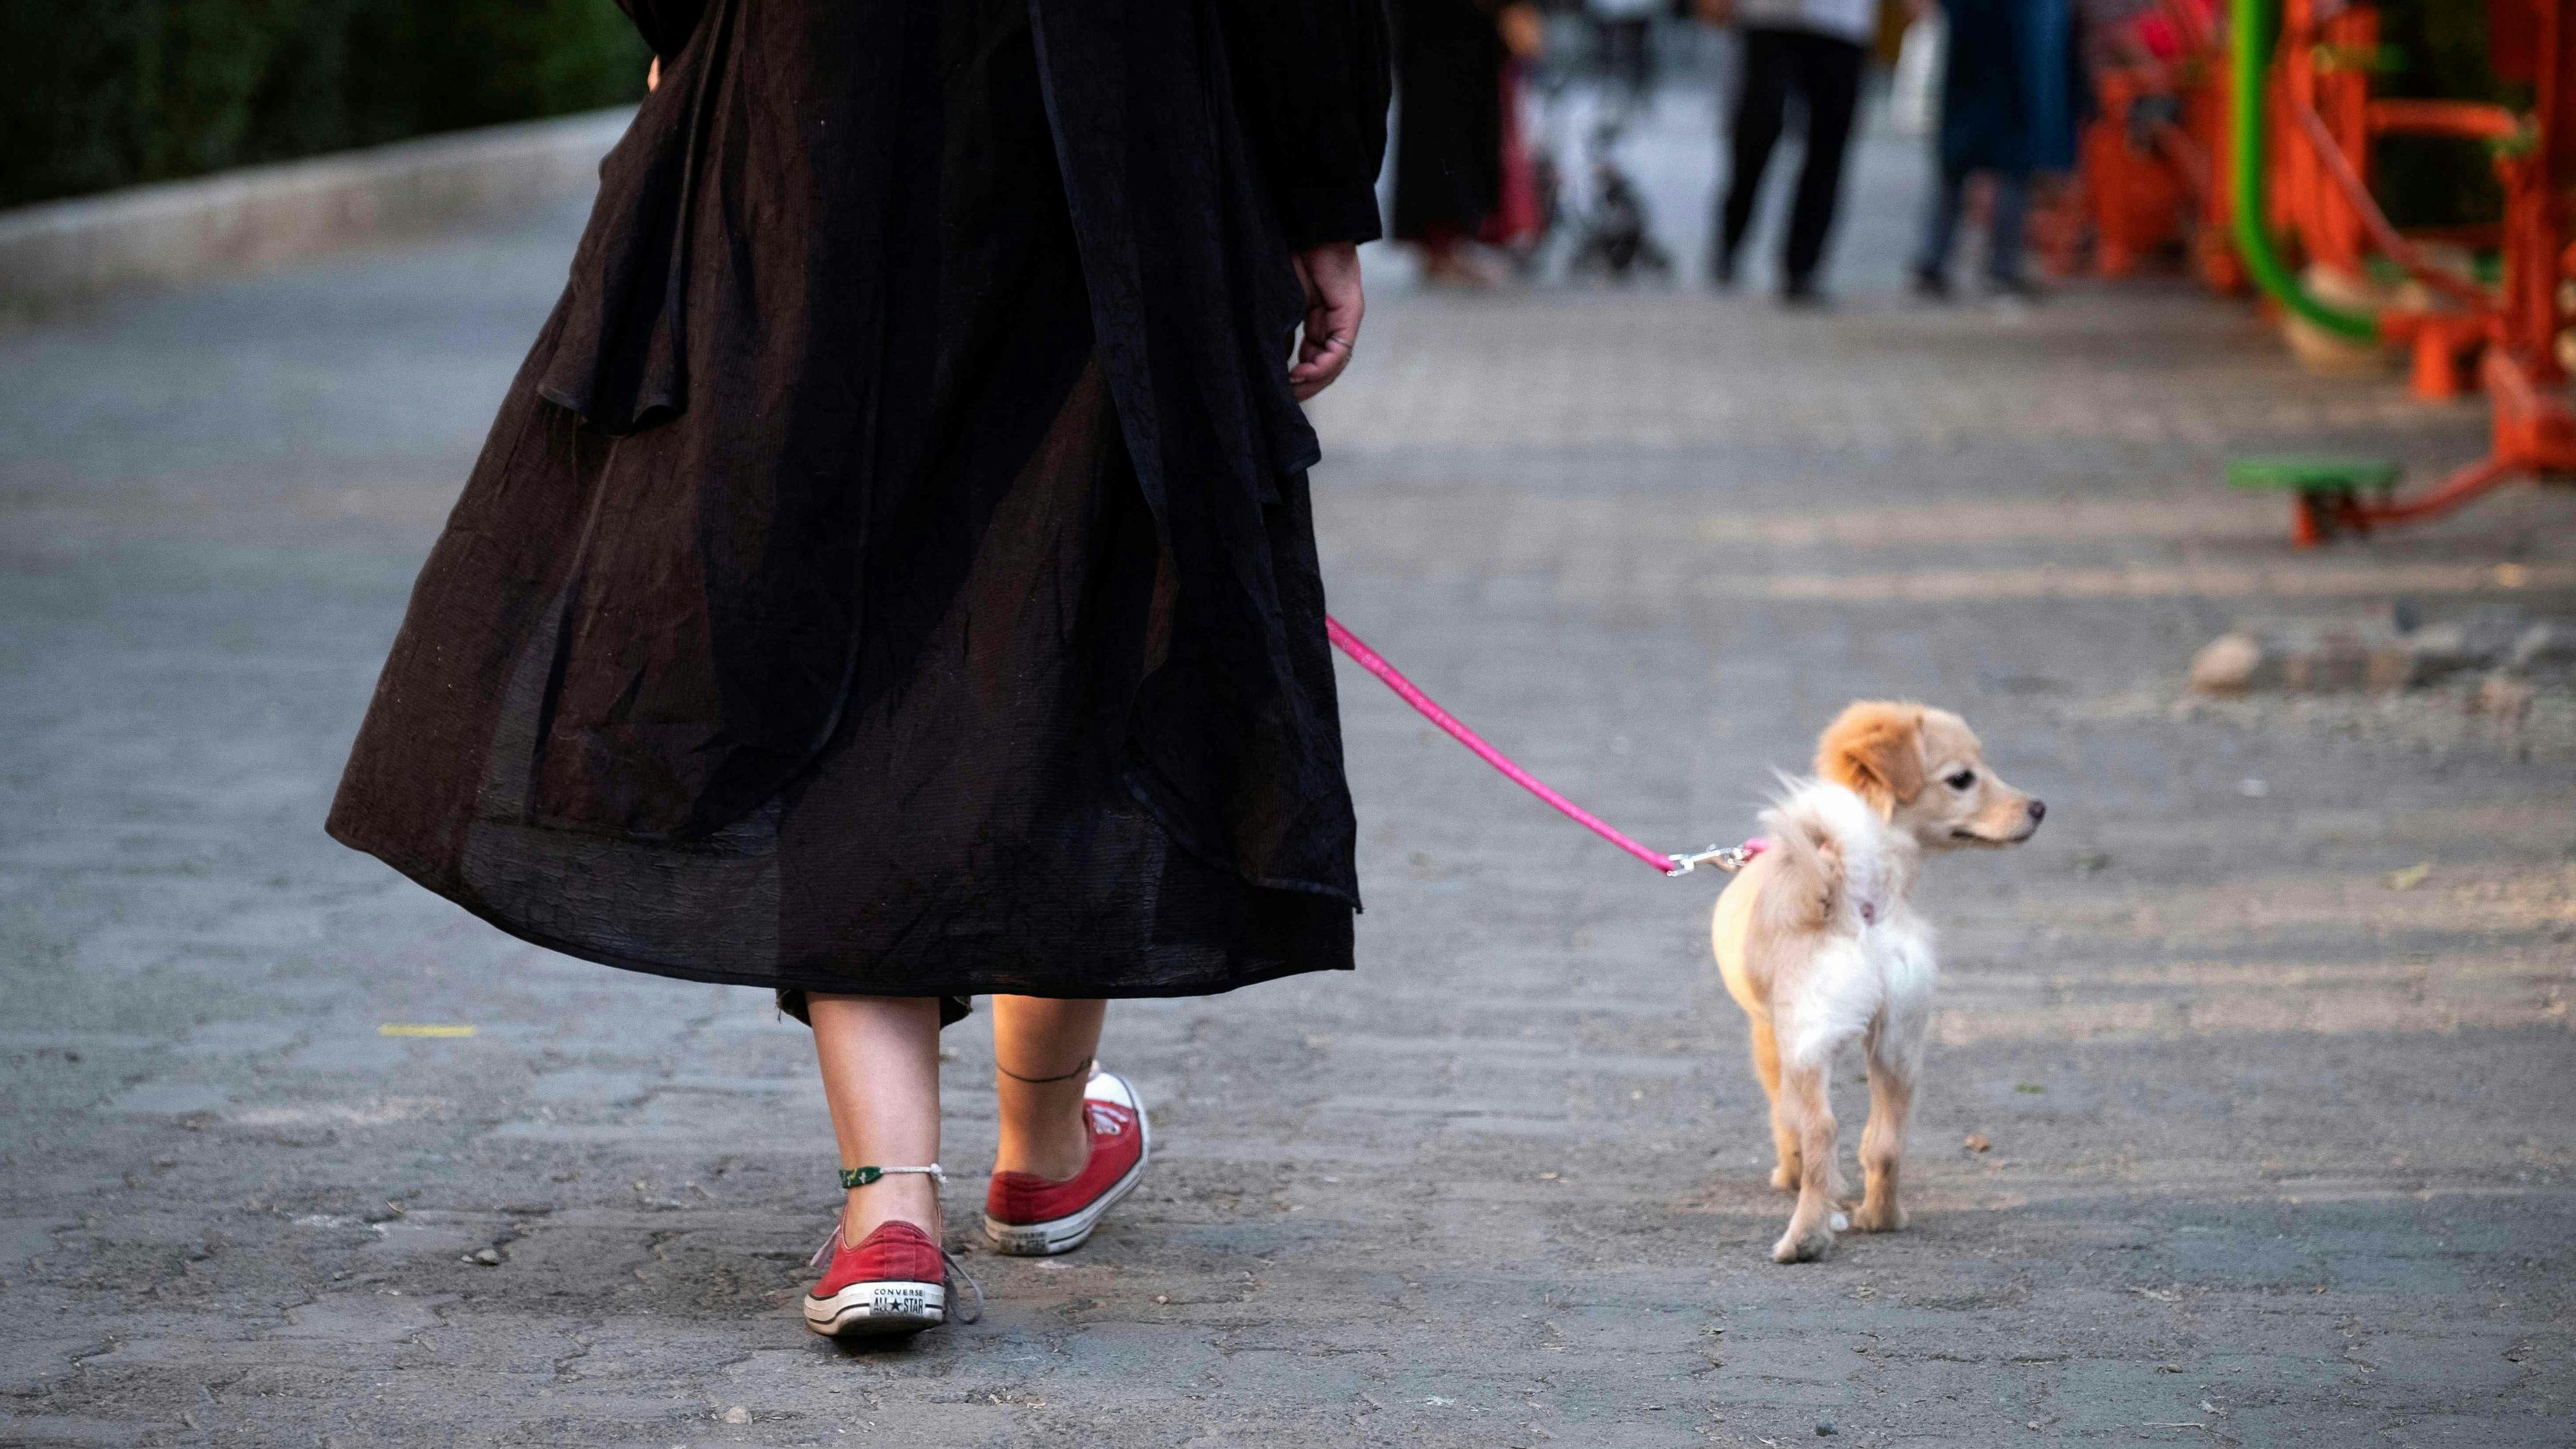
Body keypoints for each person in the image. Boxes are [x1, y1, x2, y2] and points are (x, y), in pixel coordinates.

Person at [325, 0, 1389, 1339]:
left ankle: (889, 1210)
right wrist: (1319, 189)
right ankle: (1046, 1146)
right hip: (1119, 119)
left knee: (832, 623)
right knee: (1088, 605)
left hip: (809, 94)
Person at [1701, 0, 1876, 304]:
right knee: (1756, 131)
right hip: (1771, 14)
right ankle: (1730, 239)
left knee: (1829, 143)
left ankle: (1802, 267)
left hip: (1843, 20)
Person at [1911, 0, 2082, 299]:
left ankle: (1959, 263)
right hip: (1989, 68)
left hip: (1994, 69)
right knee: (1980, 166)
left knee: (1988, 166)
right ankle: (1961, 265)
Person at [1394, 0, 1540, 285]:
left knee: (1454, 116)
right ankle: (1444, 242)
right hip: (1446, 25)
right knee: (1445, 117)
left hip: (1457, 25)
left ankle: (1448, 241)